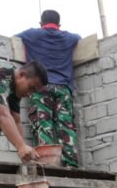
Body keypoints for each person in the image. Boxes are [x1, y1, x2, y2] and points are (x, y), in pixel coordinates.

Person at [16, 10, 81, 167]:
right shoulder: (70, 38)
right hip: (63, 89)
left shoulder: (32, 34)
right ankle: (70, 164)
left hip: (40, 88)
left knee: (43, 125)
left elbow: (14, 39)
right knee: (66, 126)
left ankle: (48, 164)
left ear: (41, 23)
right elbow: (80, 39)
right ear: (59, 24)